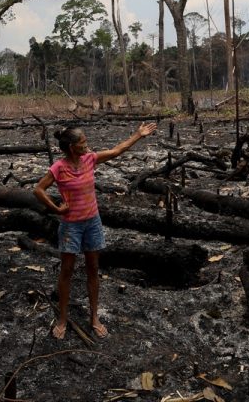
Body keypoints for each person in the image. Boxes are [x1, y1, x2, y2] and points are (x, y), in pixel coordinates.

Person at [34, 121, 157, 339]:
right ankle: (62, 318)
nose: (87, 145)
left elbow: (117, 151)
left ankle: (94, 317)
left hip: (92, 223)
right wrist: (56, 209)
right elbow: (38, 189)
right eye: (82, 143)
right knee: (67, 271)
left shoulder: (90, 159)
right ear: (71, 147)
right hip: (71, 226)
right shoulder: (59, 168)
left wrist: (138, 134)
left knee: (93, 268)